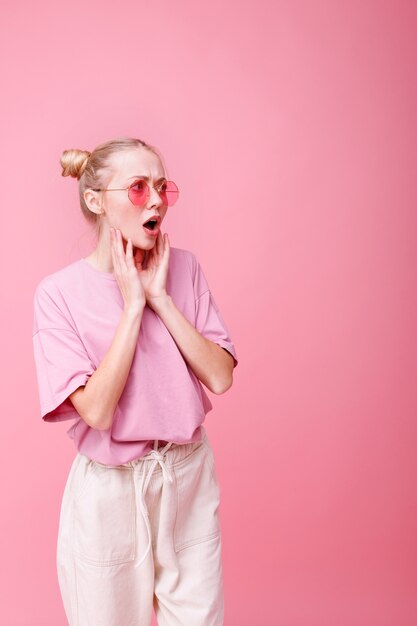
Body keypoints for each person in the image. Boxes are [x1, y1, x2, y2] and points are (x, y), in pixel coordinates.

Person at [31, 136, 238, 626]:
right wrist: (131, 306)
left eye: (163, 188)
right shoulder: (58, 294)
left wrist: (160, 299)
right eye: (139, 188)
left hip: (186, 476)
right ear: (96, 200)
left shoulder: (183, 269)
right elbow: (98, 412)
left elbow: (220, 376)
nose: (158, 202)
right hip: (111, 491)